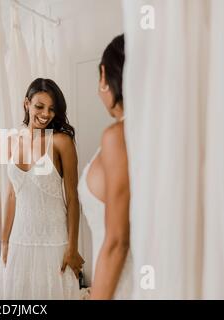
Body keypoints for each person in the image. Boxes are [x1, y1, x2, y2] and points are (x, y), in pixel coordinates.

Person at [1, 78, 84, 299]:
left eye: (52, 109)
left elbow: (73, 198)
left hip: (55, 244)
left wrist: (73, 248)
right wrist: (4, 242)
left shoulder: (61, 142)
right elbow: (11, 195)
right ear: (26, 104)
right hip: (20, 242)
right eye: (39, 106)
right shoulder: (12, 141)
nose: (46, 114)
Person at [77, 34, 133, 299]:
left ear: (104, 75)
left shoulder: (118, 137)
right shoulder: (159, 135)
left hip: (121, 285)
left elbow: (117, 242)